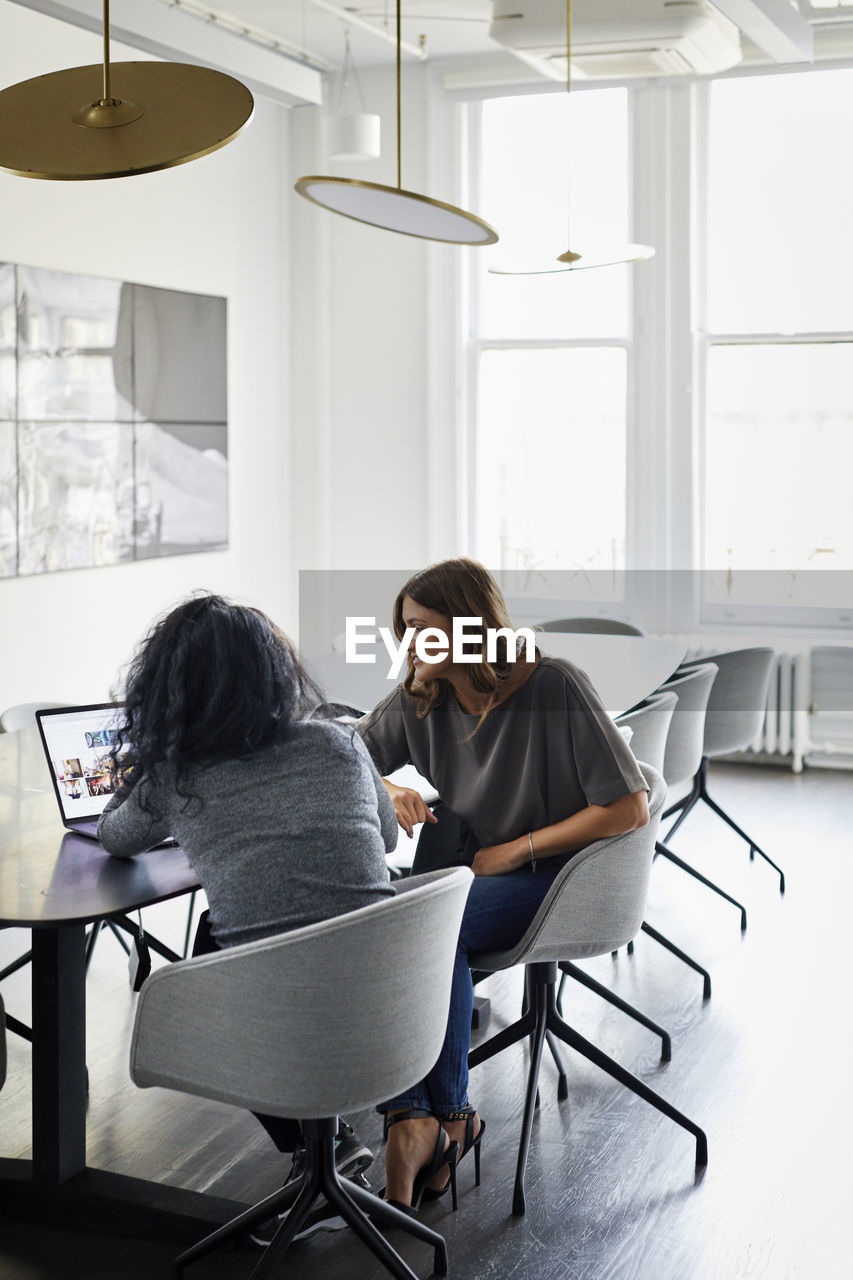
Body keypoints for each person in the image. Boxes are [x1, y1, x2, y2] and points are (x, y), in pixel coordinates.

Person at [97, 592, 398, 1243]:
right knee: (218, 934)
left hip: (274, 1026)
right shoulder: (338, 743)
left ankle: (317, 1147)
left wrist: (147, 758)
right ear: (277, 673)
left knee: (217, 943)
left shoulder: (177, 776)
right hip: (395, 1003)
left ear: (168, 687)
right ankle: (331, 1145)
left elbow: (116, 837)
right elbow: (390, 838)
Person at [357, 557, 649, 1212]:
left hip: (563, 877)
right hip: (479, 876)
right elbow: (340, 756)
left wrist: (517, 849)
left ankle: (446, 1119)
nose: (408, 645)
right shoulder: (420, 696)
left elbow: (628, 807)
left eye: (424, 629)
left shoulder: (553, 686)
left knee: (431, 930)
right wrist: (387, 784)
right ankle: (417, 1120)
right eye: (403, 628)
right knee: (415, 928)